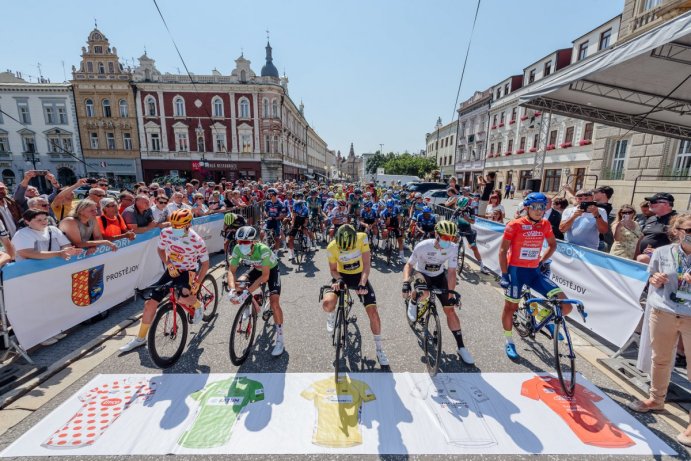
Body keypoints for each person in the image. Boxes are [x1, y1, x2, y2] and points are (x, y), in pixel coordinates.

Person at [627, 213, 691, 447]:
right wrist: (655, 279)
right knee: (660, 359)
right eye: (688, 230)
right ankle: (656, 399)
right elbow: (651, 275)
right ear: (677, 231)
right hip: (663, 311)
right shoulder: (664, 252)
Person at [120, 209, 210, 352]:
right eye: (173, 225)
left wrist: (197, 283)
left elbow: (205, 264)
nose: (174, 229)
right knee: (150, 304)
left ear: (188, 225)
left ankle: (198, 304)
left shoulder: (197, 240)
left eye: (178, 227)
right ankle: (140, 339)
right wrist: (168, 264)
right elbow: (161, 250)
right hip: (172, 269)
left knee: (181, 297)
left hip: (188, 271)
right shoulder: (166, 232)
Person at [499, 192, 572, 360]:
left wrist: (541, 261)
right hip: (516, 272)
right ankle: (509, 340)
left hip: (534, 272)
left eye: (543, 207)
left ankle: (547, 319)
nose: (540, 211)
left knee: (566, 306)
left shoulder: (545, 224)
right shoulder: (514, 225)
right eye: (536, 207)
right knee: (510, 308)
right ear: (527, 208)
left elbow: (552, 245)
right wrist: (504, 274)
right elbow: (503, 251)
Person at [402, 220, 474, 364]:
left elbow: (452, 272)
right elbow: (409, 265)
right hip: (422, 273)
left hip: (439, 276)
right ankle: (414, 300)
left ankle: (461, 347)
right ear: (437, 234)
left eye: (451, 238)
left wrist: (451, 294)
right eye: (445, 237)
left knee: (450, 311)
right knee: (425, 292)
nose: (449, 240)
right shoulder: (423, 246)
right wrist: (405, 283)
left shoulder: (453, 248)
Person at [323, 224, 388, 366]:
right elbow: (333, 270)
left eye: (349, 247)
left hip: (359, 276)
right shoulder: (331, 247)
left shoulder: (362, 238)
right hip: (341, 276)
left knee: (374, 313)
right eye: (343, 248)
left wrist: (362, 283)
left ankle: (379, 349)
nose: (346, 250)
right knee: (327, 304)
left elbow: (366, 265)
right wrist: (339, 280)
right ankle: (332, 315)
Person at [227, 225, 285, 356]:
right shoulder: (237, 249)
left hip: (271, 271)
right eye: (240, 241)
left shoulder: (263, 249)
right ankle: (249, 305)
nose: (242, 244)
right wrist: (232, 289)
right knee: (240, 283)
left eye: (246, 242)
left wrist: (247, 292)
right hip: (256, 269)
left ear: (254, 242)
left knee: (274, 303)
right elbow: (231, 270)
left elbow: (265, 277)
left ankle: (280, 338)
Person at [12, 209, 80, 261]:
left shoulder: (53, 229)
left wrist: (66, 251)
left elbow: (65, 245)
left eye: (45, 219)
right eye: (39, 220)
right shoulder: (22, 234)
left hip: (53, 266)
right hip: (31, 271)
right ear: (27, 222)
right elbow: (27, 253)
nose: (44, 222)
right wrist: (59, 253)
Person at [636, 193, 677, 264]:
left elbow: (681, 244)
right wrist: (636, 255)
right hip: (643, 259)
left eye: (653, 202)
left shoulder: (677, 220)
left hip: (665, 262)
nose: (649, 204)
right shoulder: (651, 218)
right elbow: (642, 237)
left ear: (666, 204)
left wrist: (658, 251)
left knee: (642, 258)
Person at [453, 196, 490, 274]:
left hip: (468, 229)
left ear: (467, 204)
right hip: (459, 228)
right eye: (460, 207)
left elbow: (473, 222)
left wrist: (467, 219)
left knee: (474, 247)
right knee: (453, 243)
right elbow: (451, 220)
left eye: (463, 207)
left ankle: (482, 266)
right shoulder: (457, 209)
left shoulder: (471, 209)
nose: (461, 208)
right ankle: (452, 258)